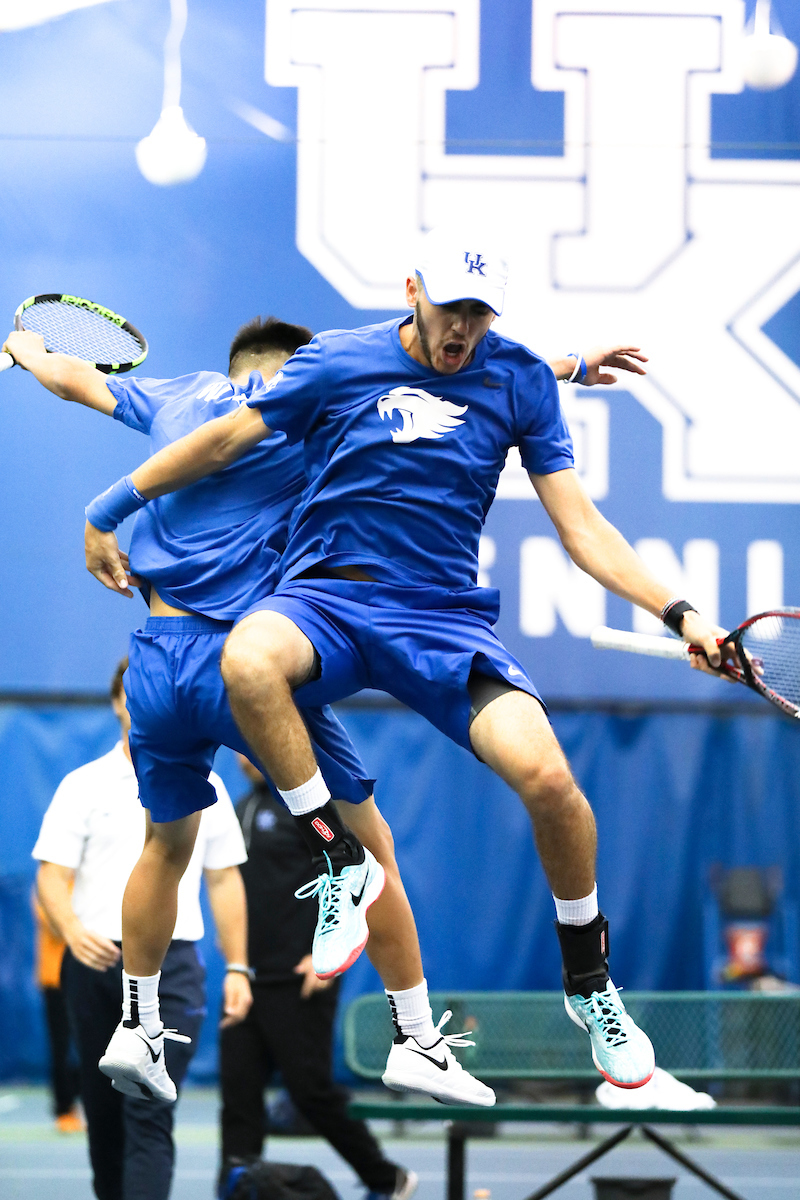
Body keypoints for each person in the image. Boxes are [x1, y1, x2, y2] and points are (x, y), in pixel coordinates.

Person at [81, 229, 732, 1094]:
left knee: (549, 781)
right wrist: (109, 506)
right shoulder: (337, 362)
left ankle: (591, 986)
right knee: (249, 659)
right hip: (328, 601)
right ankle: (339, 860)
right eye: (448, 307)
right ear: (412, 290)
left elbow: (583, 531)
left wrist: (682, 613)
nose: (461, 329)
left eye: (479, 312)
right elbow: (221, 442)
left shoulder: (520, 378)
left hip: (439, 617)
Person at [7, 315, 636, 1108]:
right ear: (299, 370)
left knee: (166, 848)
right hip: (236, 661)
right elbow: (433, 381)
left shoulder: (177, 398)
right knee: (373, 849)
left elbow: (76, 379)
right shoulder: (309, 415)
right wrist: (570, 365)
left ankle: (137, 1026)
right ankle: (416, 1039)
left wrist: (27, 350)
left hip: (152, 668)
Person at [33, 657, 251, 1200]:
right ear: (116, 705)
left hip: (174, 969)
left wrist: (240, 966)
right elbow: (52, 876)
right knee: (104, 1115)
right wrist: (72, 929)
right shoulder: (81, 786)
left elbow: (224, 883)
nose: (141, 702)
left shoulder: (210, 788)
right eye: (131, 693)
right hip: (94, 965)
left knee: (150, 1109)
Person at [218, 756, 417, 1200]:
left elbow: (354, 875)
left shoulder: (311, 808)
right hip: (248, 979)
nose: (240, 753)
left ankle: (388, 1180)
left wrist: (319, 957)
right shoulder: (240, 807)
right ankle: (236, 1186)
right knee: (238, 1092)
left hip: (302, 974)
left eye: (251, 742)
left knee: (310, 1092)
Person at [33, 893, 83, 1132]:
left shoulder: (89, 880)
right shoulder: (51, 884)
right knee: (61, 1047)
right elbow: (55, 924)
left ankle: (92, 1106)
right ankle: (64, 1109)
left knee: (95, 1044)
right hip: (55, 980)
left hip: (90, 975)